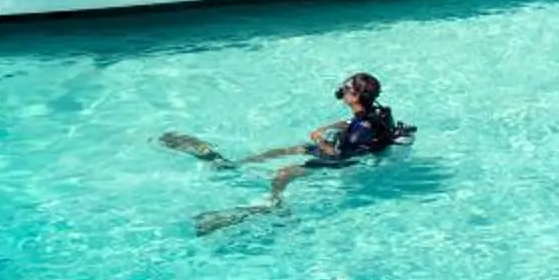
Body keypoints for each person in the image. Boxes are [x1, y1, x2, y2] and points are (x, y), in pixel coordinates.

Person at [160, 72, 413, 234]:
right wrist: (327, 128)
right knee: (287, 149)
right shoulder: (374, 112)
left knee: (283, 173)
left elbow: (340, 157)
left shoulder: (362, 129)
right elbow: (352, 123)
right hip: (347, 147)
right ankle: (232, 165)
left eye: (347, 88)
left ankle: (274, 205)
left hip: (344, 160)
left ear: (356, 95)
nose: (343, 91)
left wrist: (319, 140)